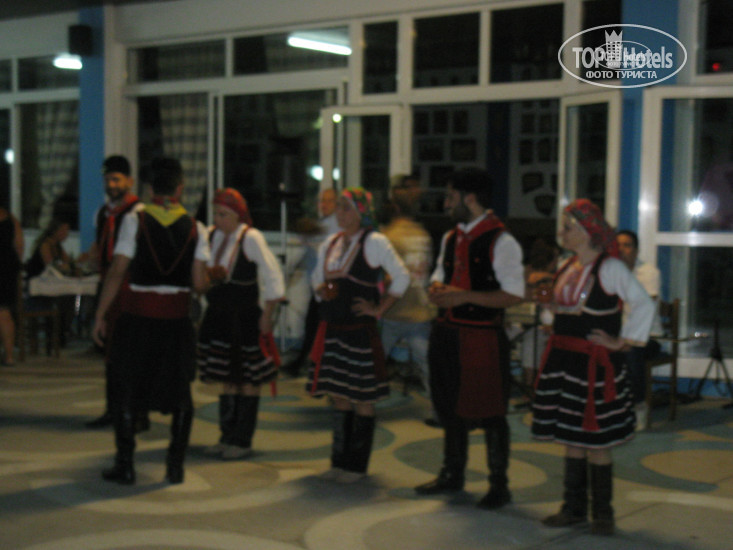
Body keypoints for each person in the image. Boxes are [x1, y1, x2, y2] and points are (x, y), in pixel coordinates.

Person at [531, 199, 654, 535]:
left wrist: (621, 342)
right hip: (566, 361)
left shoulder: (610, 268)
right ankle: (572, 509)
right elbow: (562, 312)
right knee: (572, 436)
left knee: (598, 442)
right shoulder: (568, 266)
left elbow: (643, 304)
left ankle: (603, 514)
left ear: (587, 231)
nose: (562, 233)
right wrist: (550, 308)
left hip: (595, 366)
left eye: (568, 228)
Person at [92, 157, 209, 485]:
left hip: (138, 319)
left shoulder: (135, 220)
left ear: (149, 189)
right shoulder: (197, 228)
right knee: (181, 395)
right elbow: (199, 284)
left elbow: (117, 270)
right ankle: (175, 467)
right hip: (177, 322)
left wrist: (101, 314)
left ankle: (125, 465)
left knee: (127, 390)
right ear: (180, 188)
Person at [414, 168, 524, 510]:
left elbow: (514, 294)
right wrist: (436, 290)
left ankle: (499, 485)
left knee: (490, 411)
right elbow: (439, 277)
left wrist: (463, 296)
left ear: (470, 198)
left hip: (482, 337)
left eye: (451, 197)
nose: (447, 204)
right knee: (448, 407)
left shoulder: (502, 241)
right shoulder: (450, 238)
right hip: (447, 333)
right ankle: (452, 473)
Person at [308, 187, 409, 483]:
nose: (339, 213)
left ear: (361, 212)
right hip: (334, 328)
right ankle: (339, 461)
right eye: (338, 207)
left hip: (358, 330)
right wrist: (322, 292)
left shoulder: (374, 241)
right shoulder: (331, 243)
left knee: (362, 397)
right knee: (339, 395)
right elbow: (316, 280)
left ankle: (356, 466)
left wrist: (378, 309)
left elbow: (402, 276)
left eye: (346, 207)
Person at [197, 188, 285, 459]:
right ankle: (227, 436)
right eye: (216, 213)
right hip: (220, 315)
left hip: (244, 317)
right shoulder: (211, 235)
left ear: (238, 214)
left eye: (223, 214)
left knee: (247, 378)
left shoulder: (250, 237)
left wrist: (267, 314)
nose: (218, 219)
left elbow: (273, 275)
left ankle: (242, 440)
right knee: (227, 377)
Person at [85, 155, 142, 429]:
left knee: (132, 352)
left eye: (117, 179)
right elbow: (99, 248)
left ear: (130, 181)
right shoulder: (101, 214)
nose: (111, 185)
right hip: (108, 285)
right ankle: (113, 409)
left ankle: (136, 411)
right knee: (109, 352)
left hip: (131, 287)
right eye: (108, 180)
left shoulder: (139, 213)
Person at [379, 174, 437, 424]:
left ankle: (359, 403)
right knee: (428, 366)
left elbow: (386, 278)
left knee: (374, 360)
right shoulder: (422, 235)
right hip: (420, 310)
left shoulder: (388, 236)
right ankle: (439, 410)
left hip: (393, 311)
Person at [282, 187, 339, 377]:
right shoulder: (321, 224)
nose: (324, 204)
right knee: (314, 326)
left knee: (316, 326)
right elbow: (307, 251)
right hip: (318, 287)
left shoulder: (335, 225)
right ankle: (306, 363)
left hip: (328, 288)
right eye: (321, 201)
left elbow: (319, 238)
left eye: (329, 201)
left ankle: (306, 364)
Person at [616, 229, 662, 429]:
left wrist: (626, 338)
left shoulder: (649, 272)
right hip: (619, 335)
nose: (621, 249)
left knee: (631, 351)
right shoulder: (610, 272)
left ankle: (638, 405)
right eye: (618, 245)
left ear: (636, 250)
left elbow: (645, 308)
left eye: (627, 245)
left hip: (647, 336)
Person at [0, 207, 23, 366]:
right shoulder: (11, 219)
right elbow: (19, 246)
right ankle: (9, 355)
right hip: (7, 267)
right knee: (5, 312)